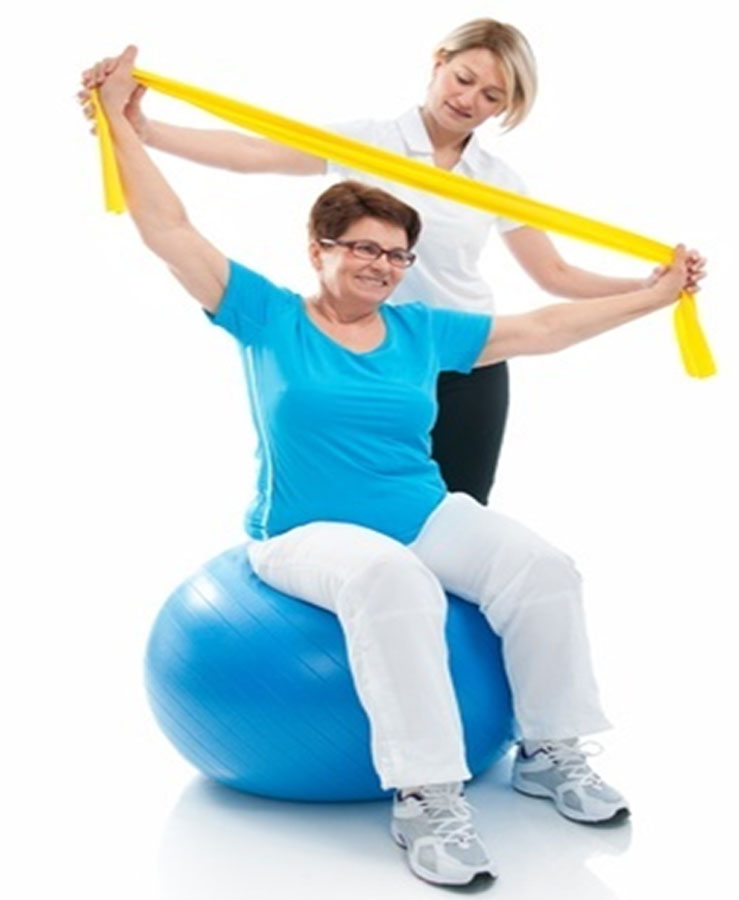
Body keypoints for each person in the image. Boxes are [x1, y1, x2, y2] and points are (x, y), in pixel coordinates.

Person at [85, 46, 704, 888]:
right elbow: (170, 230)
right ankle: (427, 798)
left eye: (396, 255)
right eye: (363, 249)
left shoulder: (420, 331)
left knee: (543, 567)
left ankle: (550, 751)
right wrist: (122, 126)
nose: (380, 266)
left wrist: (653, 296)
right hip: (303, 530)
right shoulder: (266, 315)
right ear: (319, 249)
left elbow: (542, 328)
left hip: (419, 511)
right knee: (392, 580)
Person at [78, 19, 706, 514]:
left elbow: (555, 276)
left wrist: (648, 286)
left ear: (504, 108)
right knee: (367, 508)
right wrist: (144, 131)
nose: (469, 100)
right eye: (463, 79)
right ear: (438, 63)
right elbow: (254, 152)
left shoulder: (497, 180)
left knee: (460, 512)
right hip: (375, 354)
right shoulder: (368, 143)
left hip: (467, 358)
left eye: (491, 96)